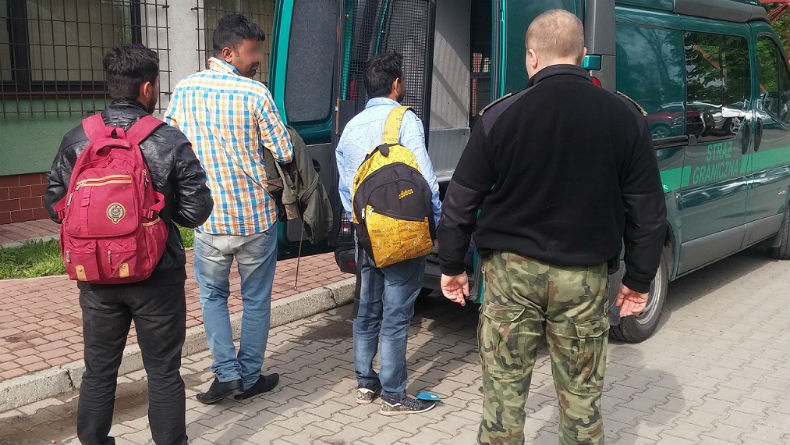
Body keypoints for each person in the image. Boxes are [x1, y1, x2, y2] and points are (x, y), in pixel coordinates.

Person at [438, 10, 666, 445]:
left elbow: (460, 202)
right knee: (581, 401)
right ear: (583, 54)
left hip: (510, 276)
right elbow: (648, 211)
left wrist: (452, 265)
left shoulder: (500, 115)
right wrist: (638, 279)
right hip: (583, 278)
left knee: (503, 397)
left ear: (531, 57)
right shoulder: (625, 117)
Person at [45, 43, 213, 445]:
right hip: (157, 274)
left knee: (99, 370)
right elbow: (196, 211)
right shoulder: (168, 140)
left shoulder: (77, 138)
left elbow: (55, 205)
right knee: (163, 370)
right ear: (147, 88)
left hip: (96, 274)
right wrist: (154, 215)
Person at [164, 13, 293, 404]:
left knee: (212, 298)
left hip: (209, 220)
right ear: (228, 52)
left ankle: (227, 375)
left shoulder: (185, 90)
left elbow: (168, 144)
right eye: (252, 52)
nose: (258, 60)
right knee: (255, 300)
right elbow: (284, 152)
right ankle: (249, 377)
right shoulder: (256, 94)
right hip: (255, 219)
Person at [336, 50, 442, 415]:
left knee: (367, 309)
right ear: (396, 84)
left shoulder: (351, 127)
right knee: (396, 315)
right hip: (403, 231)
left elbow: (345, 187)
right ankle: (394, 394)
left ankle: (366, 382)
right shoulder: (405, 120)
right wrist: (434, 223)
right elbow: (426, 179)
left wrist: (359, 224)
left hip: (366, 232)